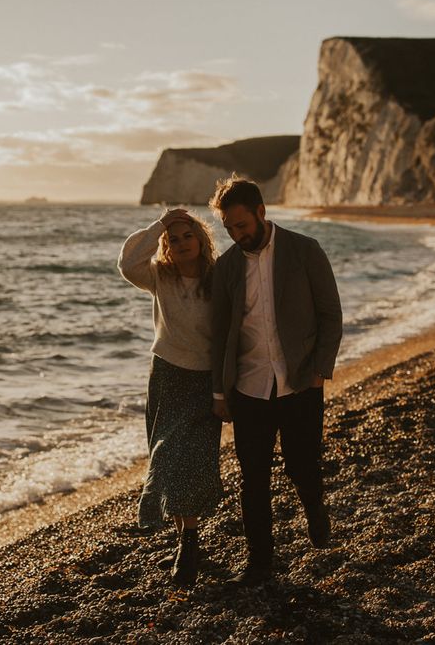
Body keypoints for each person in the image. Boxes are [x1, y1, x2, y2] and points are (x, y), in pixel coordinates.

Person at [209, 176, 343, 586]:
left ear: (261, 212)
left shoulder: (305, 251)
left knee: (302, 466)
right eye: (229, 228)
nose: (236, 234)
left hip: (302, 382)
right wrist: (219, 391)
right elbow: (219, 332)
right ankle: (260, 562)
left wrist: (321, 370)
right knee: (254, 478)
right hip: (249, 388)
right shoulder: (227, 267)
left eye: (241, 225)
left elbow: (330, 314)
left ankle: (315, 509)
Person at [117, 208, 222, 587]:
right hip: (166, 376)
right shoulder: (160, 276)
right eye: (172, 239)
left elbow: (236, 333)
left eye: (186, 236)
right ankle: (186, 539)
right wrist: (159, 224)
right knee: (168, 458)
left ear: (201, 239)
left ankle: (188, 541)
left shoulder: (219, 278)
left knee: (194, 459)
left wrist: (227, 388)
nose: (180, 243)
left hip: (207, 379)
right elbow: (128, 262)